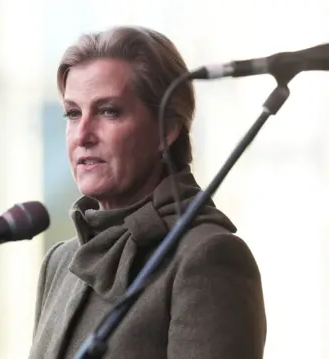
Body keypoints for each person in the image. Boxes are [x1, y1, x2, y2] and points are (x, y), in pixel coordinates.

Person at [29, 25, 267, 359]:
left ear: (167, 128)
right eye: (72, 113)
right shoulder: (60, 261)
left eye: (108, 111)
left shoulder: (208, 256)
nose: (82, 134)